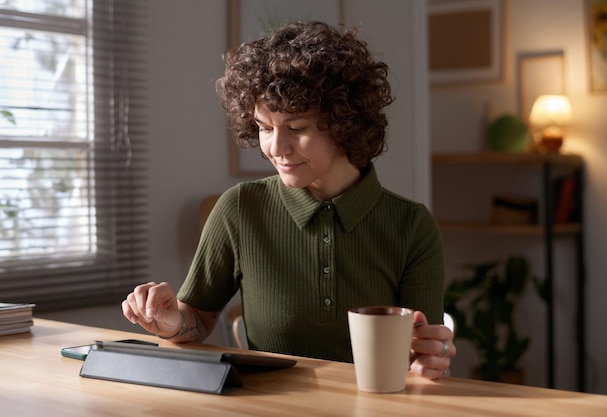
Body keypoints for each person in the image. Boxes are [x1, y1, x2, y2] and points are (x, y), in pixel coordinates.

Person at [122, 21, 456, 380]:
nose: (276, 149)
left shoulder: (411, 225)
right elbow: (198, 319)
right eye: (265, 127)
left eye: (296, 128)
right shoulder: (238, 209)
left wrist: (429, 359)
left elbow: (423, 350)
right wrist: (170, 320)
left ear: (347, 123)